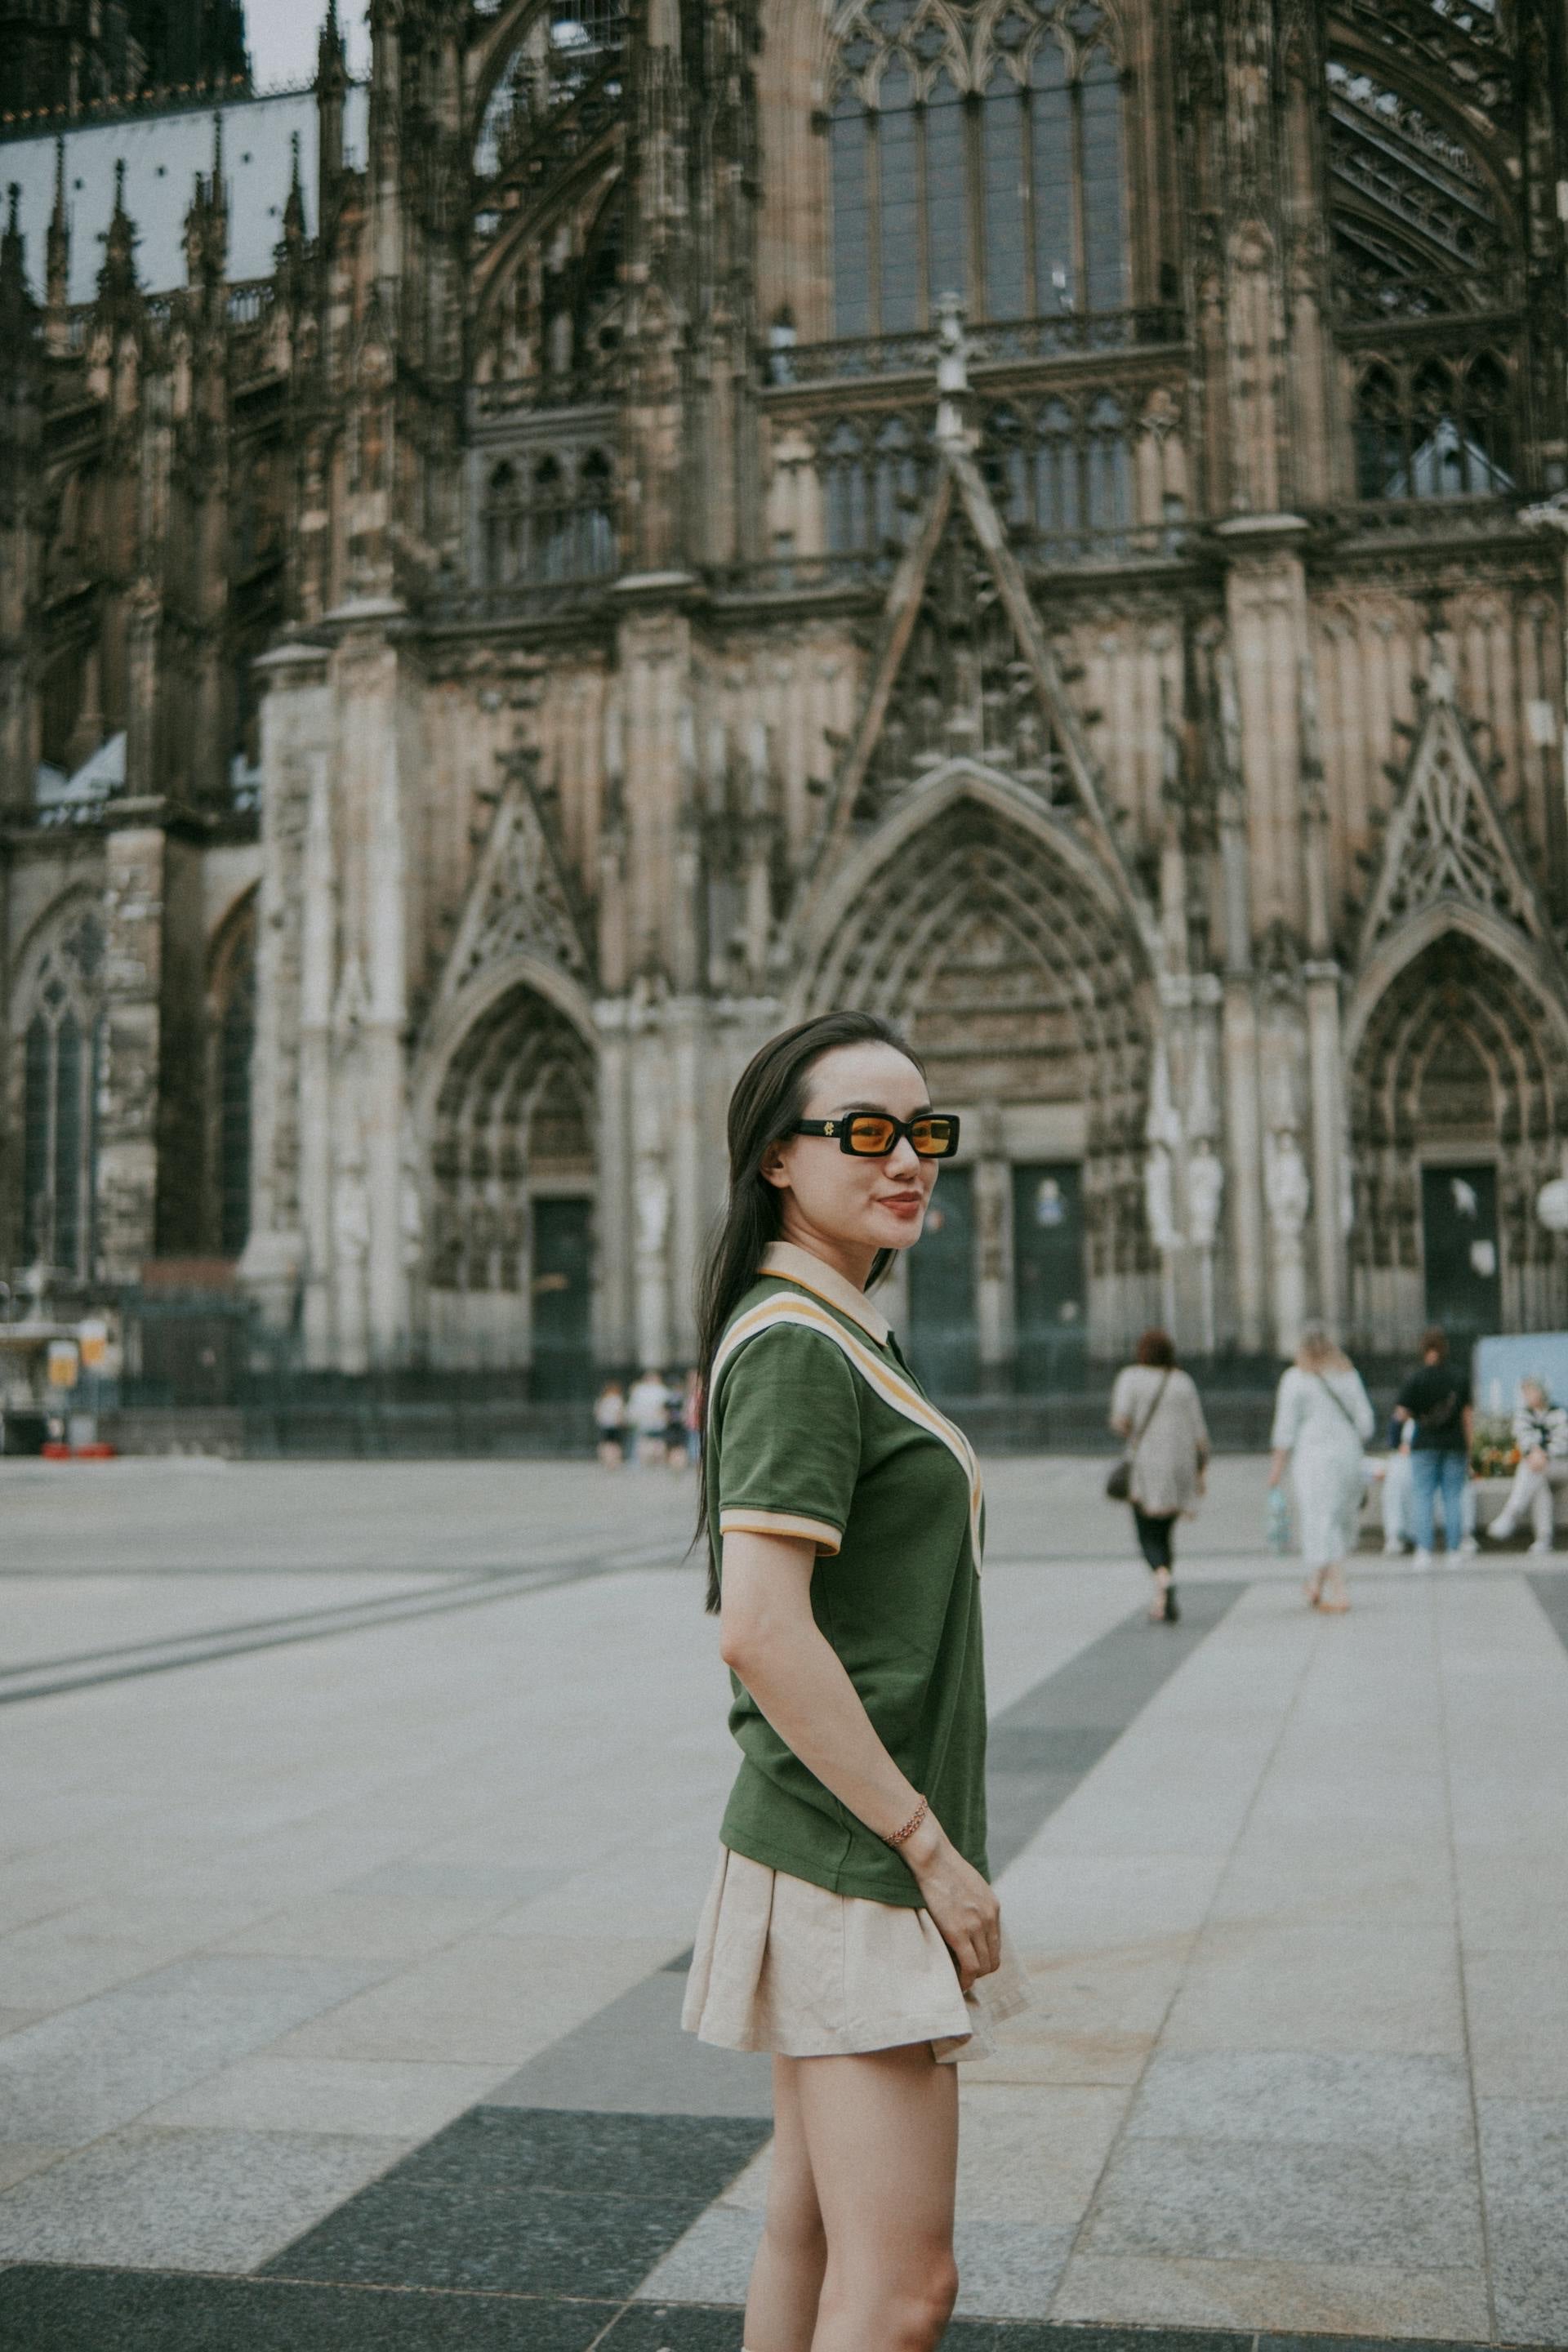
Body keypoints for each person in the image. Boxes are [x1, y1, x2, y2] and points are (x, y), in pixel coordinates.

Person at [683, 1009, 1027, 2352]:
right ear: (778, 1157)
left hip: (827, 1842)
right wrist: (927, 1848)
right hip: (854, 1856)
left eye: (926, 1132)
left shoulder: (832, 1328)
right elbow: (761, 1630)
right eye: (868, 1132)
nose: (909, 1159)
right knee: (904, 2291)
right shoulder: (797, 1346)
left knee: (813, 2233)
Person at [1268, 1324, 1376, 1613]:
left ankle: (1340, 1593)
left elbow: (1285, 1429)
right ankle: (1316, 1585)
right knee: (1337, 1521)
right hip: (1348, 1456)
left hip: (1314, 1457)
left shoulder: (1295, 1379)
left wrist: (1276, 1469)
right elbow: (1366, 1423)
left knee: (1321, 1522)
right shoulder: (1348, 1375)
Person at [1108, 1329, 1209, 1624]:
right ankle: (1162, 1599)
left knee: (1146, 1532)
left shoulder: (1131, 1378)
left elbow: (1120, 1421)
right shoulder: (1182, 1381)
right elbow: (1200, 1432)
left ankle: (1162, 1577)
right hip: (1180, 1464)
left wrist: (1135, 1433)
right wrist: (1201, 1471)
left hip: (1147, 1464)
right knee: (1165, 1532)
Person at [1395, 1327, 1474, 1569]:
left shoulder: (1415, 1378)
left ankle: (1424, 1550)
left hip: (1424, 1444)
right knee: (1453, 1497)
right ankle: (1453, 1550)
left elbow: (1401, 1413)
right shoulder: (1459, 1377)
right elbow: (1467, 1416)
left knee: (1423, 1496)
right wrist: (1470, 1448)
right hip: (1454, 1444)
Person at [1482, 1377, 1568, 1553]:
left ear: (1541, 1392)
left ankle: (1511, 1515)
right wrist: (1535, 1454)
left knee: (1533, 1469)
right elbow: (1523, 1441)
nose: (1528, 1396)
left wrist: (1544, 1454)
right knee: (1539, 1481)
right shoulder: (1523, 1415)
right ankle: (1544, 1539)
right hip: (1539, 1467)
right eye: (1526, 1392)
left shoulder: (1558, 1412)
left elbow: (1563, 1442)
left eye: (1531, 1391)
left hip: (1561, 1466)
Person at [626, 1367, 670, 1468]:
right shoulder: (660, 1390)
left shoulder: (642, 1390)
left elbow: (633, 1407)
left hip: (649, 1423)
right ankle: (654, 1462)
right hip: (652, 1423)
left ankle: (647, 1462)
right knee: (653, 1443)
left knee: (648, 1443)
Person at [593, 1379, 626, 1469]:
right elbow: (620, 1413)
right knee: (615, 1444)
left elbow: (598, 1413)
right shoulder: (617, 1400)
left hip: (605, 1424)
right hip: (615, 1424)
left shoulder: (602, 1400)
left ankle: (607, 1460)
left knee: (606, 1443)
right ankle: (615, 1461)